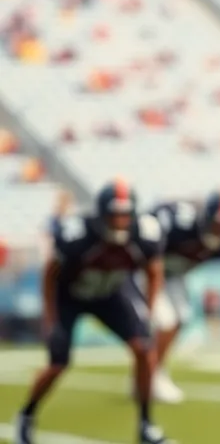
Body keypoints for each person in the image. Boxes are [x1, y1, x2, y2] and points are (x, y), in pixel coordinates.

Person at [15, 179, 173, 444]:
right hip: (71, 296)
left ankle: (146, 424)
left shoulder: (143, 233)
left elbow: (154, 269)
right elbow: (50, 274)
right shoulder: (78, 234)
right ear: (102, 213)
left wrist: (149, 308)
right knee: (57, 364)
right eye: (115, 214)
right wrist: (51, 318)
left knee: (145, 348)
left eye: (125, 214)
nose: (120, 221)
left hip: (111, 292)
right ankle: (26, 415)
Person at [130, 189, 220, 403]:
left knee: (181, 317)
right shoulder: (178, 223)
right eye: (217, 222)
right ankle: (149, 376)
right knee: (165, 321)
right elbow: (147, 232)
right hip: (150, 271)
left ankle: (150, 372)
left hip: (174, 276)